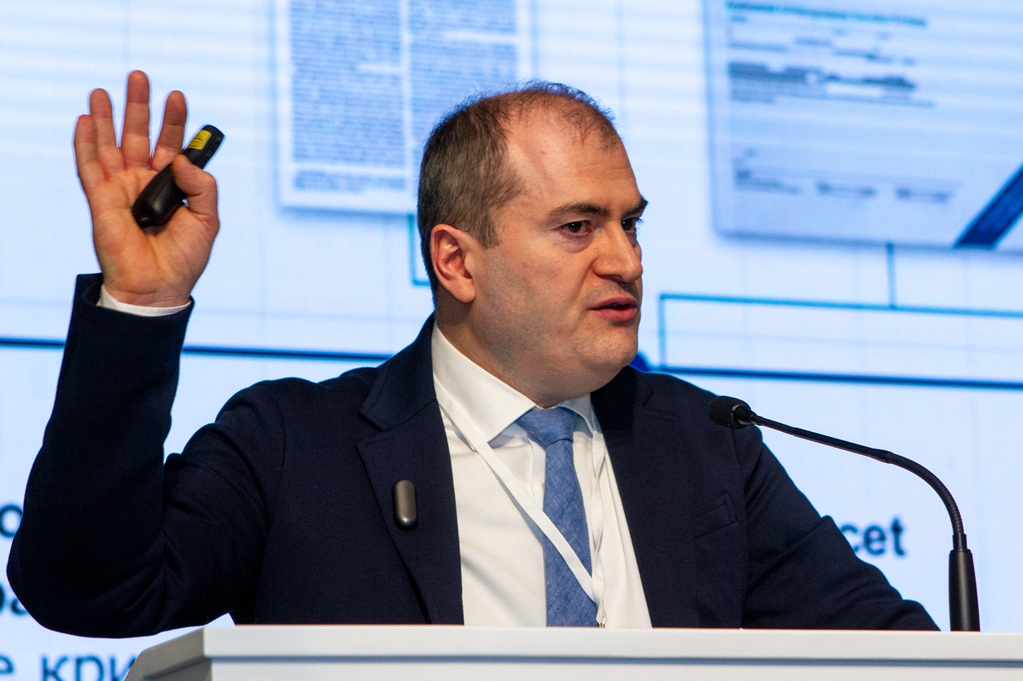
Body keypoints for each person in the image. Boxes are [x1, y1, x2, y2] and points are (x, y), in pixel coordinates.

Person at [7, 71, 936, 636]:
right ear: (456, 260)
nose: (624, 259)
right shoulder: (293, 444)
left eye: (630, 223)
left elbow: (890, 652)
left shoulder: (704, 444)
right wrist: (141, 302)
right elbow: (88, 590)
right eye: (577, 226)